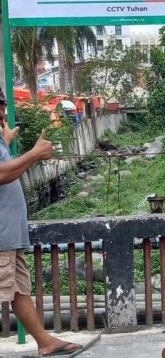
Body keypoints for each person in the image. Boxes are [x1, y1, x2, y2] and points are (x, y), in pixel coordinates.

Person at [0, 88, 83, 356]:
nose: (2, 110)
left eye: (2, 105)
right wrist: (34, 154)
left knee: (18, 292)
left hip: (11, 233)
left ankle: (44, 341)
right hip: (1, 234)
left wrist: (6, 141)